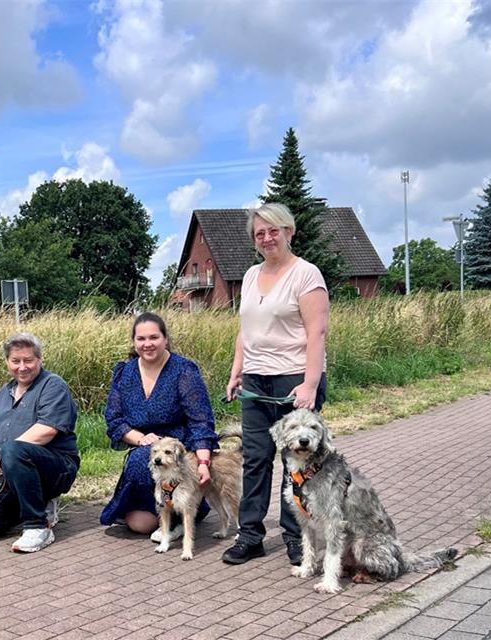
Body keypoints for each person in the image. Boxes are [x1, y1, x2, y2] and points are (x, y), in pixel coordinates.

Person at [221, 202, 330, 566]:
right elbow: (245, 330)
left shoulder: (306, 274)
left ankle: (296, 537)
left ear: (289, 232)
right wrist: (237, 371)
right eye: (260, 233)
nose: (267, 238)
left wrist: (310, 384)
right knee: (255, 459)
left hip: (294, 379)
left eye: (273, 231)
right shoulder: (251, 276)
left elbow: (317, 332)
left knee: (295, 461)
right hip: (256, 381)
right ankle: (250, 536)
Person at [100, 312, 218, 539]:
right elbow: (114, 419)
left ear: (165, 339)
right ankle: (174, 511)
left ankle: (180, 517)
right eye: (141, 339)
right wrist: (140, 438)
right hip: (144, 444)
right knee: (139, 525)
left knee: (139, 460)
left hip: (178, 450)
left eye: (154, 337)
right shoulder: (124, 372)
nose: (147, 344)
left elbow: (201, 421)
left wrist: (204, 462)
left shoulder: (183, 370)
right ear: (134, 341)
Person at [0, 332, 80, 553]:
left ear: (40, 359)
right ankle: (37, 503)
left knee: (13, 450)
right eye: (15, 361)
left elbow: (47, 430)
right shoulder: (3, 394)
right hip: (12, 472)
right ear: (7, 362)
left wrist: (7, 453)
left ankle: (38, 526)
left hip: (56, 468)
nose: (22, 367)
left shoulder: (53, 385)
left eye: (28, 360)